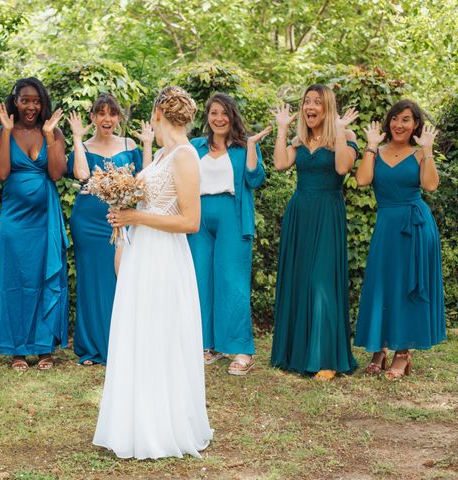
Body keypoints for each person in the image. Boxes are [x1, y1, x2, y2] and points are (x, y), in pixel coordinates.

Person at [93, 86, 213, 459]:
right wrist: (122, 211)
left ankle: (160, 427)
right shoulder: (161, 154)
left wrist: (134, 216)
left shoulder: (185, 156)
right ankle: (133, 423)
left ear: (160, 112)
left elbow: (191, 221)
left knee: (160, 334)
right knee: (138, 334)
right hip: (141, 252)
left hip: (164, 258)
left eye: (152, 112)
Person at [270, 84, 359, 381]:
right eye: (306, 101)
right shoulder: (299, 140)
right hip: (300, 213)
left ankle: (326, 358)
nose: (310, 107)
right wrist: (283, 129)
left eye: (317, 102)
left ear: (327, 108)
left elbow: (344, 167)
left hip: (327, 212)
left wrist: (341, 130)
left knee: (321, 282)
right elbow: (281, 164)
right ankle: (296, 353)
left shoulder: (345, 137)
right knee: (300, 280)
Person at [354, 100, 445, 379]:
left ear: (415, 124)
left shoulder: (419, 154)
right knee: (382, 284)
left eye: (406, 119)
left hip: (415, 226)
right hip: (386, 225)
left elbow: (430, 185)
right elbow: (362, 180)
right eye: (395, 118)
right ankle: (379, 349)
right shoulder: (377, 151)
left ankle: (402, 353)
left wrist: (427, 150)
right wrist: (370, 145)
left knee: (407, 286)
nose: (399, 124)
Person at [66, 93, 153, 366]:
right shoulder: (85, 146)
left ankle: (121, 344)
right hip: (87, 223)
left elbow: (146, 181)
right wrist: (78, 138)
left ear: (118, 118)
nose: (107, 118)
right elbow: (81, 174)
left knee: (121, 278)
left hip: (121, 219)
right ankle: (91, 346)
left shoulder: (129, 144)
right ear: (93, 118)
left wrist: (148, 144)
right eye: (101, 113)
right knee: (91, 281)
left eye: (112, 113)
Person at [189, 93, 270, 375]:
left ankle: (241, 349)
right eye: (213, 113)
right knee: (200, 280)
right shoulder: (195, 146)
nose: (219, 118)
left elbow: (255, 179)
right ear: (207, 117)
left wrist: (251, 148)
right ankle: (206, 345)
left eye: (224, 113)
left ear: (232, 116)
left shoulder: (244, 146)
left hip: (232, 216)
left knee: (232, 282)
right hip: (198, 218)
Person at [0, 77, 68, 372]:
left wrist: (50, 136)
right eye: (25, 100)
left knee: (44, 279)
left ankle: (45, 348)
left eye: (36, 101)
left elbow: (58, 173)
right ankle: (17, 350)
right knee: (15, 281)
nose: (31, 106)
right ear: (15, 101)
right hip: (14, 219)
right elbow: (0, 173)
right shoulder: (2, 131)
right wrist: (8, 133)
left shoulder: (53, 130)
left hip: (45, 219)